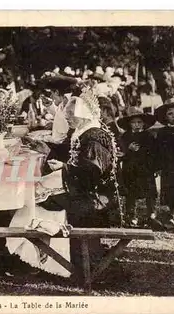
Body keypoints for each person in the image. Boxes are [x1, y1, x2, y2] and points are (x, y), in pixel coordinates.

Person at [41, 88, 121, 277]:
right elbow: (76, 157)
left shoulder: (93, 137)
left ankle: (82, 267)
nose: (67, 118)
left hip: (95, 197)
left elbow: (92, 170)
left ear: (82, 115)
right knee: (45, 196)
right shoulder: (83, 131)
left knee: (44, 200)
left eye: (70, 115)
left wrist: (64, 167)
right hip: (87, 190)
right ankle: (71, 263)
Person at [118, 106, 158, 227]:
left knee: (149, 192)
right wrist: (129, 150)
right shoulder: (125, 137)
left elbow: (152, 152)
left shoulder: (149, 136)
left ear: (144, 123)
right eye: (133, 122)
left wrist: (154, 167)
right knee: (131, 193)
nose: (136, 125)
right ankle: (131, 216)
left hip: (145, 168)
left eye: (139, 122)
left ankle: (151, 214)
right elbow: (122, 153)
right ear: (129, 124)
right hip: (131, 169)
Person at [155, 99, 174, 229]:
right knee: (171, 190)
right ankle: (172, 215)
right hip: (169, 166)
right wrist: (159, 166)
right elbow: (158, 151)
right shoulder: (162, 132)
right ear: (165, 117)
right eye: (170, 114)